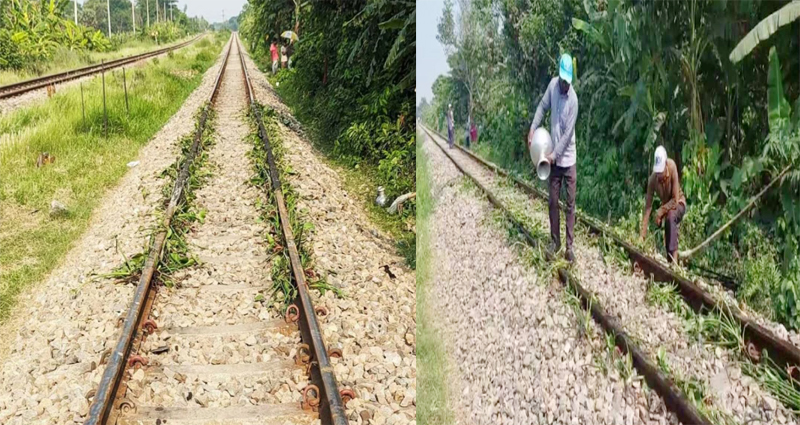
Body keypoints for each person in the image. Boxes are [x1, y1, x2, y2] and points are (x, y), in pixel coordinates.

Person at [528, 53, 579, 262]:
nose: (564, 85)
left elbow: (567, 136)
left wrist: (553, 156)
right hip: (553, 159)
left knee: (570, 204)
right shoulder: (552, 86)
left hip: (567, 159)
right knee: (552, 201)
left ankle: (569, 247)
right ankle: (555, 242)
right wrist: (533, 128)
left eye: (568, 81)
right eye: (563, 80)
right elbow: (542, 106)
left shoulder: (573, 100)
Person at [640, 146, 686, 263]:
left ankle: (674, 260)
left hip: (679, 203)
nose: (659, 175)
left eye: (661, 172)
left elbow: (675, 200)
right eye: (657, 172)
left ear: (665, 164)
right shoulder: (652, 180)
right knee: (668, 222)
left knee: (671, 216)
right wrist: (642, 236)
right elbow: (648, 208)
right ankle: (669, 260)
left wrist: (661, 211)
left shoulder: (672, 166)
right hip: (667, 208)